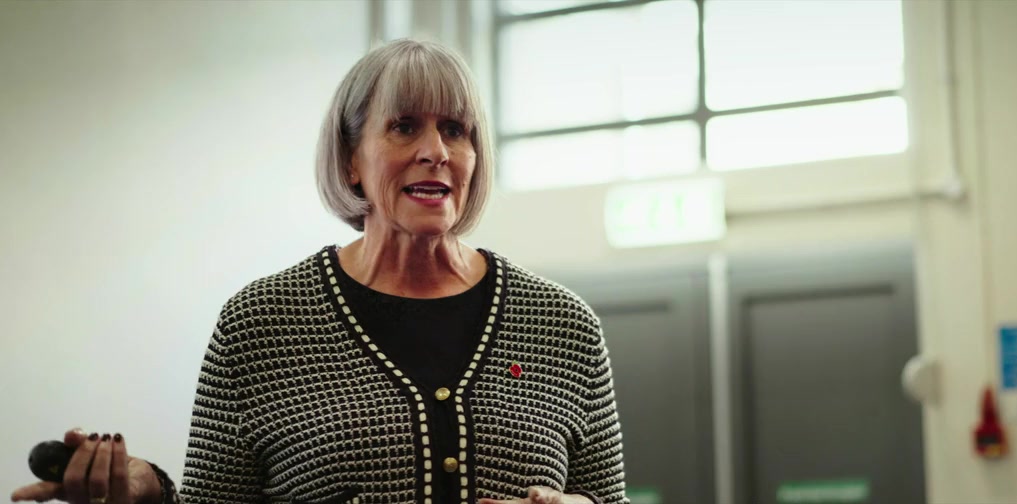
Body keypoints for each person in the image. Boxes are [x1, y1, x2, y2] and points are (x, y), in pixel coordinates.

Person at [11, 39, 628, 504]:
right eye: (405, 126)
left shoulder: (563, 323)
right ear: (350, 159)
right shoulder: (260, 324)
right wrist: (148, 492)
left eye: (455, 130)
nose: (436, 151)